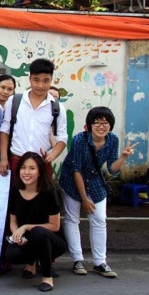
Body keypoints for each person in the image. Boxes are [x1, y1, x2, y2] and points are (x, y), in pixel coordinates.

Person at [59, 107, 137, 278]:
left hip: (95, 180)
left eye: (105, 123)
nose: (101, 126)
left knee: (100, 219)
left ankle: (100, 262)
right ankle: (77, 260)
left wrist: (123, 157)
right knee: (72, 219)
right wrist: (85, 199)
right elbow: (76, 170)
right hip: (72, 180)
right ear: (89, 125)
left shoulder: (113, 140)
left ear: (110, 125)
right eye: (97, 122)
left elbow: (111, 169)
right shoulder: (80, 139)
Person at [6, 152, 67, 292]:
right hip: (29, 238)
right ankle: (31, 262)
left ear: (40, 171)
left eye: (32, 168)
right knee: (11, 254)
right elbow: (13, 221)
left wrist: (26, 227)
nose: (26, 172)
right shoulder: (15, 190)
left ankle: (47, 276)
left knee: (38, 232)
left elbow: (55, 226)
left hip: (53, 240)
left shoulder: (49, 191)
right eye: (23, 168)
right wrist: (17, 235)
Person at [0, 58, 67, 180]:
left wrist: (52, 155)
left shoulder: (58, 107)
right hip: (16, 161)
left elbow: (62, 137)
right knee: (14, 197)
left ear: (51, 80)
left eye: (46, 81)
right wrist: (4, 158)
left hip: (41, 164)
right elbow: (5, 130)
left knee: (41, 198)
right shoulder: (14, 101)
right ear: (30, 79)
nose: (40, 85)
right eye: (36, 80)